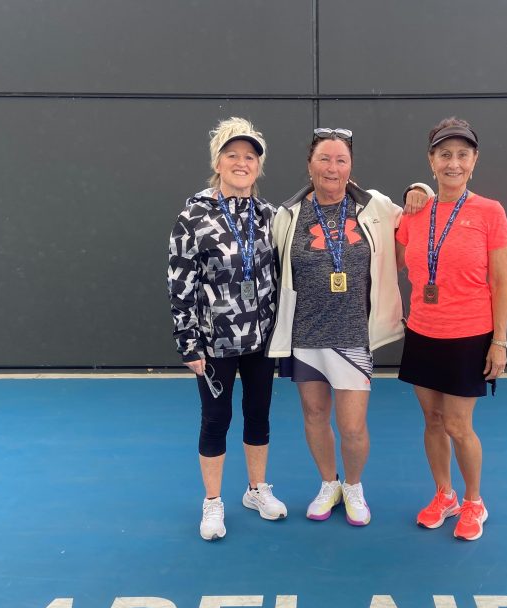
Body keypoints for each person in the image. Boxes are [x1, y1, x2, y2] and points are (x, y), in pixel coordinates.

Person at [267, 128, 431, 526]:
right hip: (305, 335)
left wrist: (420, 188)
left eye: (340, 160)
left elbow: (419, 215)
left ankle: (353, 486)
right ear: (310, 165)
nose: (332, 167)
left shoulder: (375, 206)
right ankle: (329, 483)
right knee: (313, 415)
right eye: (324, 159)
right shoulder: (287, 215)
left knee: (353, 427)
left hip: (354, 337)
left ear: (351, 167)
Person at [167, 117, 287, 541]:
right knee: (216, 419)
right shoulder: (193, 217)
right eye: (232, 155)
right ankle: (213, 501)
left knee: (259, 414)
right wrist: (188, 341)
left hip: (262, 341)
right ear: (217, 162)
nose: (241, 163)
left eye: (250, 157)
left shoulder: (271, 216)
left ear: (259, 166)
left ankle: (256, 490)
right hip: (214, 343)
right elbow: (180, 283)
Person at [395, 117, 507, 541]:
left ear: (474, 161)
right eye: (445, 154)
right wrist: (413, 193)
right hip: (422, 332)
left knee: (458, 426)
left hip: (469, 336)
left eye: (463, 155)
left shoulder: (490, 212)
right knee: (432, 419)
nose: (453, 163)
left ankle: (474, 501)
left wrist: (499, 341)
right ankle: (444, 495)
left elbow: (501, 281)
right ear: (431, 161)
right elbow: (391, 258)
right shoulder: (414, 212)